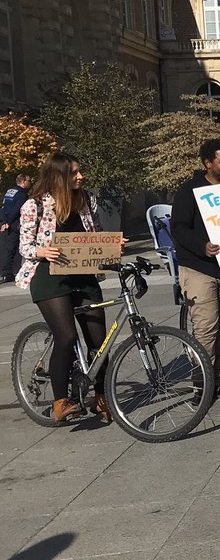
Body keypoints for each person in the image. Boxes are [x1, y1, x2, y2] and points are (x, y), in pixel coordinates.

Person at [17, 154, 126, 423]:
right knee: (66, 337)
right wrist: (42, 251)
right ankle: (60, 401)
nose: (80, 177)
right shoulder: (35, 205)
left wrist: (113, 244)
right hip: (50, 276)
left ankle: (100, 396)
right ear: (59, 176)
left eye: (80, 171)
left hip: (82, 274)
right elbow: (24, 246)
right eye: (74, 173)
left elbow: (95, 234)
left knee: (99, 342)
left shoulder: (86, 200)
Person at [173, 139, 220, 397]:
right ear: (208, 163)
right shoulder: (189, 190)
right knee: (206, 327)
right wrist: (201, 246)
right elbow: (179, 229)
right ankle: (202, 383)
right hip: (199, 268)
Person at [0, 173, 32, 282]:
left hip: (6, 222)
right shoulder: (22, 194)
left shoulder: (10, 192)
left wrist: (4, 222)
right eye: (29, 180)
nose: (30, 182)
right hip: (15, 224)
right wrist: (9, 222)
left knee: (7, 248)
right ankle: (13, 272)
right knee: (16, 248)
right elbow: (17, 209)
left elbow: (4, 208)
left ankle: (5, 272)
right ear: (23, 181)